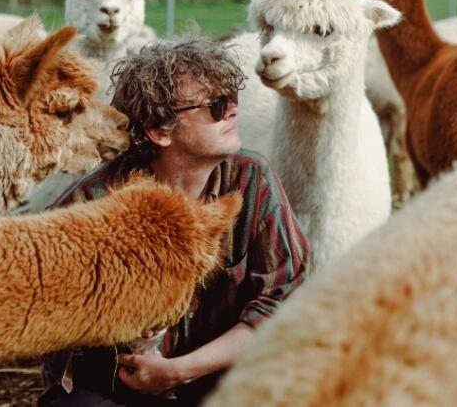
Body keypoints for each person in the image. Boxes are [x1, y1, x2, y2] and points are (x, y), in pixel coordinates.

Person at [35, 38, 310, 407]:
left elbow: (285, 298)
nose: (231, 111)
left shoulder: (252, 179)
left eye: (231, 99)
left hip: (220, 378)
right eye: (214, 106)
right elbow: (42, 304)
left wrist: (181, 369)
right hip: (113, 388)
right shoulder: (92, 203)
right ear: (159, 130)